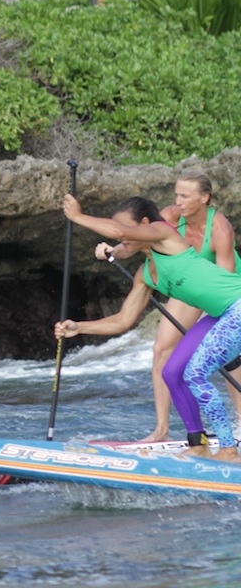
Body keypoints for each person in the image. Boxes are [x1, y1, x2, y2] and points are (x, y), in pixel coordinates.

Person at [56, 194, 241, 463]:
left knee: (195, 373)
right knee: (172, 372)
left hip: (236, 306)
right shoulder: (146, 273)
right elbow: (123, 320)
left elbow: (120, 230)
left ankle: (229, 450)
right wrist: (79, 327)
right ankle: (198, 444)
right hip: (221, 314)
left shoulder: (164, 234)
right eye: (122, 236)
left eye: (131, 231)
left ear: (144, 224)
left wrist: (78, 217)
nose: (123, 239)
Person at [104, 172, 241, 442]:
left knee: (230, 354)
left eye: (185, 196)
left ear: (204, 198)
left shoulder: (219, 228)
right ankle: (161, 430)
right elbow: (139, 237)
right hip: (184, 284)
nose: (178, 202)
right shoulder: (169, 217)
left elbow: (223, 280)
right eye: (176, 195)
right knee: (162, 349)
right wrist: (115, 250)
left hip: (221, 288)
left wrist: (213, 318)